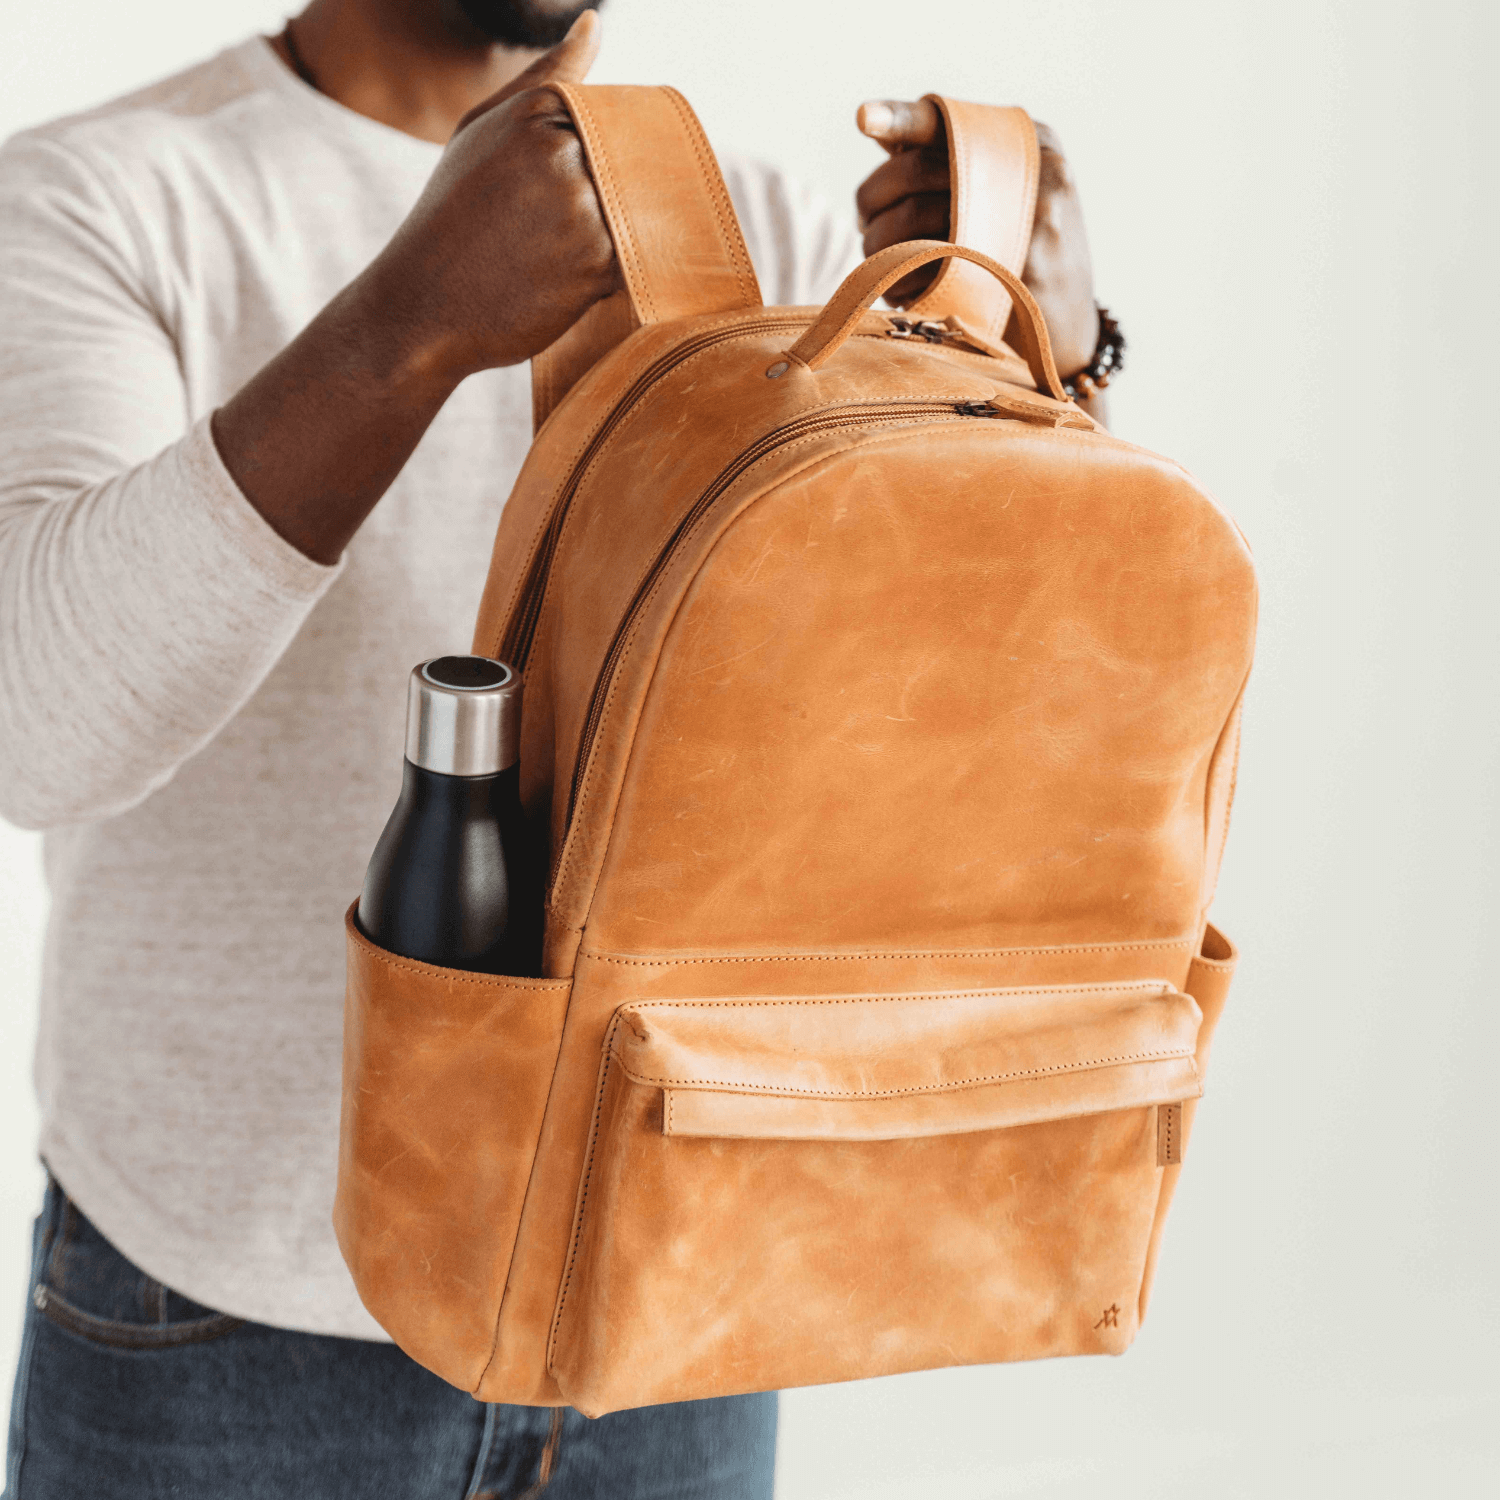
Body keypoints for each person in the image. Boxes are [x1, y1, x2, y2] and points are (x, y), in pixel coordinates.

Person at [0, 2, 1105, 1494]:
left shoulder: (757, 228)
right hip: (224, 1325)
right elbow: (39, 732)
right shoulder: (98, 196)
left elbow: (965, 737)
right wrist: (408, 327)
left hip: (674, 1292)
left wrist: (1051, 370)